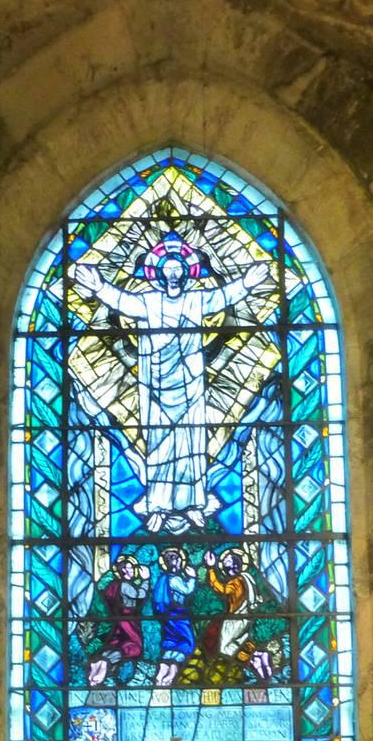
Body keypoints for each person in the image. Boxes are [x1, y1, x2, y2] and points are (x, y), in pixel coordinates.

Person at [73, 233, 268, 534]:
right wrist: (98, 286)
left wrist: (248, 282)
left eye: (178, 270)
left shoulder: (196, 299)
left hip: (190, 385)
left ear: (187, 273)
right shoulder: (149, 301)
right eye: (168, 270)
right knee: (160, 445)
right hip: (156, 387)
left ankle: (193, 502)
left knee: (191, 442)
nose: (173, 275)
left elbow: (223, 297)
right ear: (160, 274)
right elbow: (124, 302)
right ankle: (158, 504)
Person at [203, 547, 274, 681]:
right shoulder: (247, 578)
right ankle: (257, 656)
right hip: (245, 618)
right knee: (239, 643)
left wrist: (211, 569)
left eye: (227, 560)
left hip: (235, 619)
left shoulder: (237, 581)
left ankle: (254, 656)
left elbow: (222, 589)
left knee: (225, 648)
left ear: (235, 564)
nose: (224, 562)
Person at [87, 554, 148, 687]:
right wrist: (146, 580)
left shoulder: (115, 585)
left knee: (118, 644)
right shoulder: (124, 585)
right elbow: (139, 595)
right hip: (128, 620)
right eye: (130, 568)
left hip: (121, 619)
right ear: (123, 571)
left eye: (132, 568)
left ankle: (99, 662)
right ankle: (104, 664)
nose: (132, 571)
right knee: (133, 647)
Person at [150, 547, 197, 687]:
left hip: (166, 618)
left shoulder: (162, 579)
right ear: (175, 562)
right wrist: (193, 577)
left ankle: (160, 674)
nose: (178, 562)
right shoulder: (174, 579)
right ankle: (170, 676)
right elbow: (187, 590)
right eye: (176, 560)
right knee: (186, 643)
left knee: (171, 642)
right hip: (178, 616)